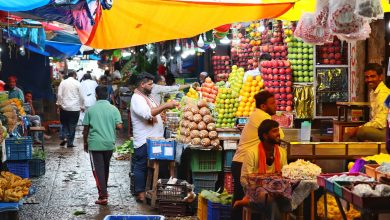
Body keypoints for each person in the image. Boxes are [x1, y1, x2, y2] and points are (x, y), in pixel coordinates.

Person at [231, 91, 284, 220]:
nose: (275, 105)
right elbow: (280, 136)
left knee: (242, 199)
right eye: (272, 103)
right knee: (244, 199)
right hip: (243, 163)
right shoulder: (263, 117)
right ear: (263, 106)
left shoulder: (257, 114)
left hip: (241, 161)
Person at [130, 72, 178, 202]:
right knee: (141, 166)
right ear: (142, 84)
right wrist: (166, 105)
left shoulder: (148, 96)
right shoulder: (137, 98)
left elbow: (154, 111)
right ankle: (140, 194)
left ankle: (153, 190)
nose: (152, 86)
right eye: (150, 84)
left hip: (155, 139)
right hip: (144, 140)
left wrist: (161, 115)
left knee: (157, 166)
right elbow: (147, 114)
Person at [236, 119, 288, 220]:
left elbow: (284, 174)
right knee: (269, 198)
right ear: (265, 135)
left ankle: (247, 201)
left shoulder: (282, 152)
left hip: (277, 190)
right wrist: (262, 187)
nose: (278, 134)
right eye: (274, 131)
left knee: (284, 198)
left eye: (278, 130)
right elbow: (244, 179)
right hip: (255, 191)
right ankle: (249, 199)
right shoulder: (252, 153)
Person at [83, 85, 123, 205]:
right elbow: (120, 126)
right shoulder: (113, 109)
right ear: (108, 96)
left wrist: (85, 143)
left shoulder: (90, 110)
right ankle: (103, 192)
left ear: (96, 95)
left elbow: (85, 129)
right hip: (109, 143)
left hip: (95, 144)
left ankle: (103, 195)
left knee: (98, 169)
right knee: (105, 167)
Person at [345, 63, 390, 141]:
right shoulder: (373, 92)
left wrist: (358, 128)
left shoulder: (384, 94)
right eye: (367, 77)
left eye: (373, 76)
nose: (369, 80)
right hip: (382, 129)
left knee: (362, 131)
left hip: (387, 131)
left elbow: (380, 122)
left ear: (380, 77)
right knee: (350, 133)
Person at [57, 70, 84, 148]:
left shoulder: (63, 82)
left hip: (64, 108)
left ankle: (65, 136)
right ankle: (70, 143)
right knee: (72, 125)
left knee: (65, 124)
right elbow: (82, 96)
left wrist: (59, 104)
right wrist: (81, 106)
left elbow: (59, 95)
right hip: (75, 108)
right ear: (74, 75)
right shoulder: (77, 83)